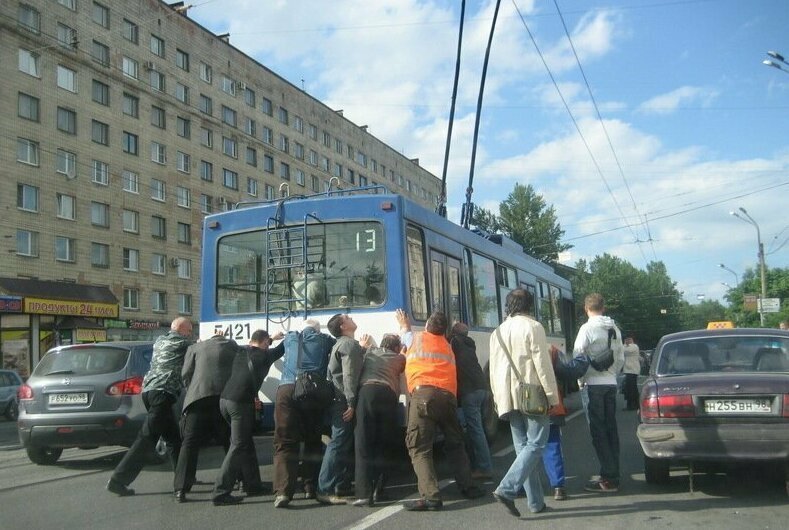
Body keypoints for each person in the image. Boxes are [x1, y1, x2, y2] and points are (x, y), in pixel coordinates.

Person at [400, 309, 484, 512]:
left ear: (427, 325)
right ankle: (468, 486)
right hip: (448, 398)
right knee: (455, 444)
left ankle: (431, 496)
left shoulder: (416, 339)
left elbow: (404, 331)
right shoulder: (447, 346)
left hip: (423, 397)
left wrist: (403, 322)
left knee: (419, 447)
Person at [489, 288, 560, 517]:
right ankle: (507, 488)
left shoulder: (497, 332)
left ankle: (536, 503)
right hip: (532, 393)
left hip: (507, 396)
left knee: (523, 449)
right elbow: (543, 365)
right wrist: (551, 396)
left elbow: (493, 370)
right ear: (529, 305)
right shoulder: (533, 327)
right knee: (537, 443)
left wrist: (497, 400)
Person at [107, 317, 193, 496]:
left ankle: (183, 478)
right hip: (162, 393)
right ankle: (118, 480)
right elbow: (199, 347)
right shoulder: (182, 342)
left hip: (149, 391)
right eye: (189, 330)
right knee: (147, 438)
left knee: (173, 438)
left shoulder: (160, 340)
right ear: (182, 330)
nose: (190, 334)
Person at [211, 329, 285, 503]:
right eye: (267, 344)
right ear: (265, 343)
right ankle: (220, 492)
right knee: (238, 445)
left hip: (224, 401)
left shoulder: (241, 351)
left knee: (245, 442)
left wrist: (271, 339)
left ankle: (252, 484)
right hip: (240, 403)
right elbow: (281, 349)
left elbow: (261, 346)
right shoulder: (263, 357)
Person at [272, 320, 336, 508]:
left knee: (284, 441)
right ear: (317, 329)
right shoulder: (324, 340)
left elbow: (275, 351)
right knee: (313, 439)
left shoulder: (291, 337)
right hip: (311, 391)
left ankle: (283, 492)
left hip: (286, 390)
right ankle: (310, 486)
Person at [173, 332, 239, 505]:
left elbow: (185, 374)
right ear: (223, 337)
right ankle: (236, 480)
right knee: (230, 441)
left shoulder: (194, 348)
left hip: (198, 399)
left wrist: (194, 390)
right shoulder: (231, 346)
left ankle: (180, 489)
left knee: (189, 443)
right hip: (222, 398)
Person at [573, 293, 624, 493]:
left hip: (592, 385)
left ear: (586, 309)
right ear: (603, 308)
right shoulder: (614, 329)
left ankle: (608, 478)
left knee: (598, 432)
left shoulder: (586, 328)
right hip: (610, 384)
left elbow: (578, 356)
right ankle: (614, 474)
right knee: (611, 430)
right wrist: (612, 374)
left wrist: (581, 380)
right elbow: (619, 358)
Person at [317, 313, 370, 504]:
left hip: (336, 399)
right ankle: (324, 489)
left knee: (342, 442)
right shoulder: (348, 345)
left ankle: (340, 484)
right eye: (347, 317)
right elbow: (349, 376)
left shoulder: (341, 344)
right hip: (342, 401)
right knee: (338, 443)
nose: (351, 317)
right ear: (342, 326)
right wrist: (351, 403)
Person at [349, 332, 406, 507]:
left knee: (363, 444)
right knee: (384, 444)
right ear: (396, 347)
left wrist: (364, 344)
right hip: (389, 396)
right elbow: (404, 357)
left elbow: (365, 349)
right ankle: (380, 490)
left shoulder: (370, 353)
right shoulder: (399, 358)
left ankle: (364, 494)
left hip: (367, 393)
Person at [543, 345, 590, 501]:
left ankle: (521, 486)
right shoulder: (549, 348)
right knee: (551, 444)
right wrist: (584, 359)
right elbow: (567, 372)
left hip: (519, 404)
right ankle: (558, 487)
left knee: (523, 447)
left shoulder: (504, 343)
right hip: (549, 403)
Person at [449, 322, 493, 480]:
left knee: (475, 430)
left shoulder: (454, 343)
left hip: (469, 392)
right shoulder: (470, 344)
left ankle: (484, 467)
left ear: (454, 333)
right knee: (478, 428)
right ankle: (480, 462)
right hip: (481, 389)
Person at [621, 336, 641, 411]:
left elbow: (623, 351)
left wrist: (624, 345)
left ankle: (632, 405)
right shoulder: (629, 347)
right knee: (631, 388)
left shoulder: (634, 346)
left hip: (632, 370)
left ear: (632, 340)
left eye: (628, 339)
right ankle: (634, 404)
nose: (627, 340)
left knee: (631, 388)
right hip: (630, 370)